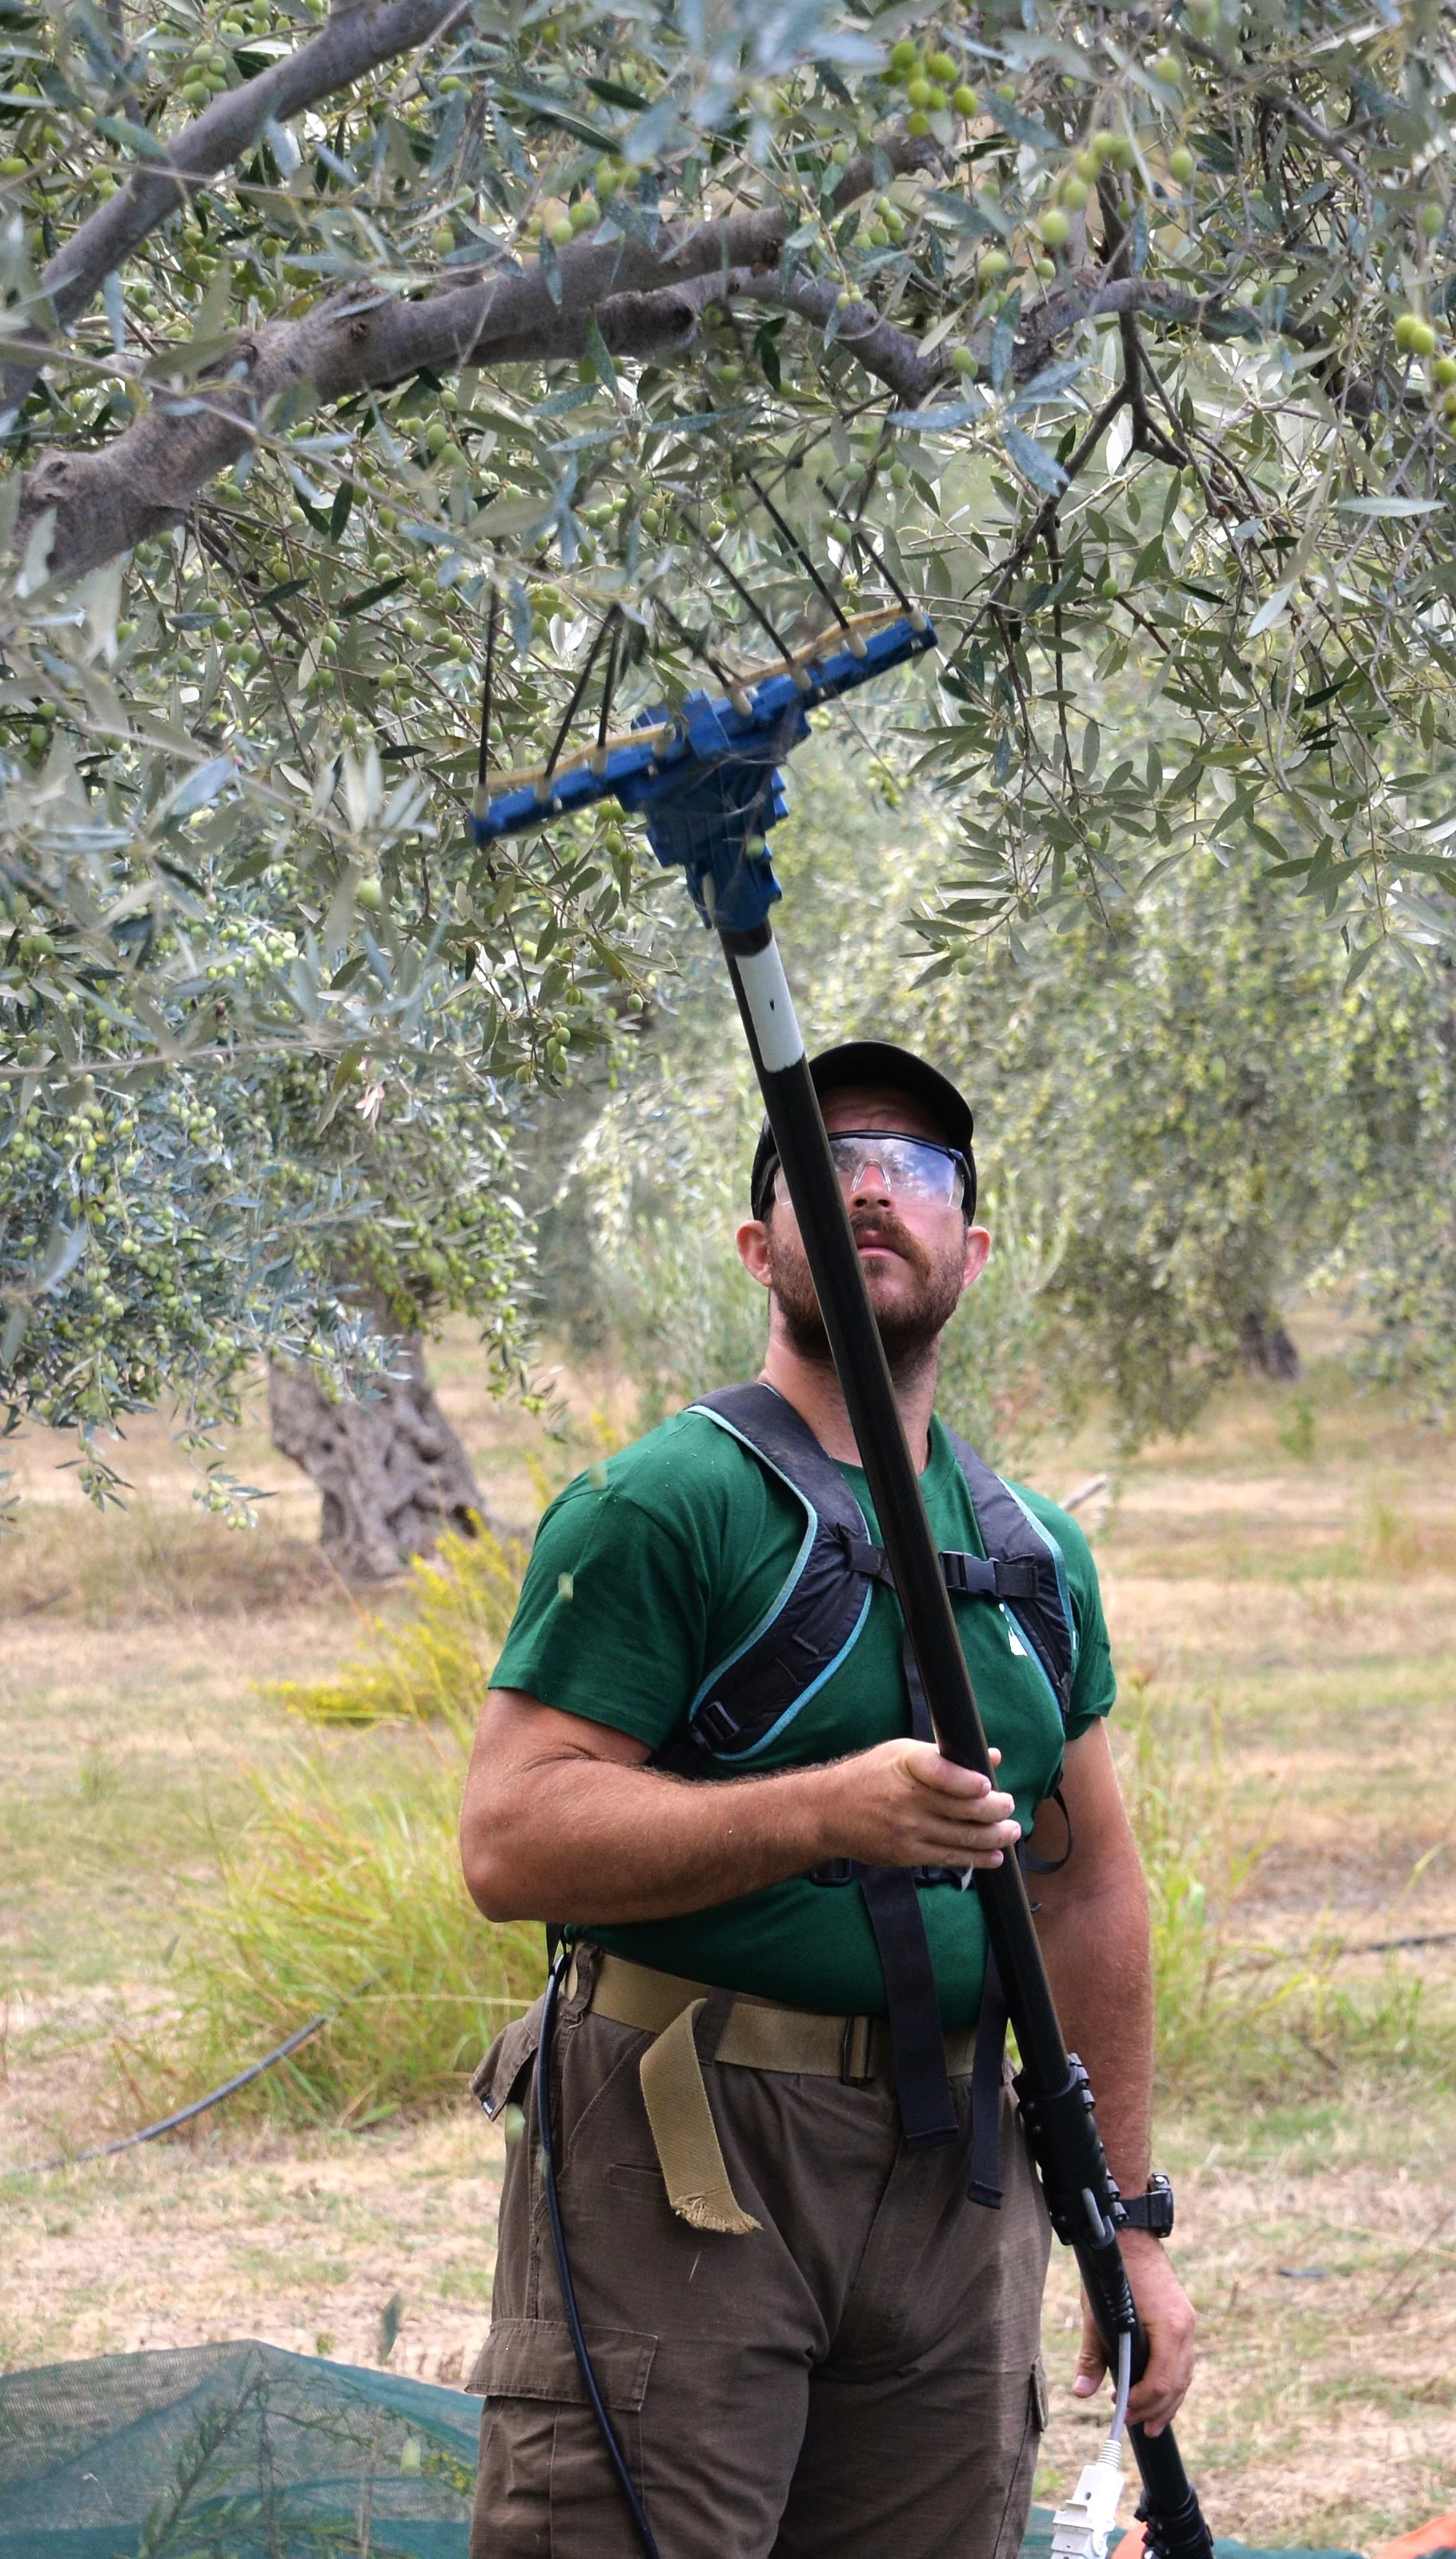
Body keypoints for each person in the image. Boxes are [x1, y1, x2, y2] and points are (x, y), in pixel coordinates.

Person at [457, 1040, 1195, 2559]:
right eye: (826, 1163)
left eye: (919, 1171)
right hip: (688, 2146)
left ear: (972, 1251)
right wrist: (821, 1814)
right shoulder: (668, 1503)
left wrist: (1123, 2221)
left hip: (960, 2183)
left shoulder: (1034, 1556)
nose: (872, 1187)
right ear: (757, 1244)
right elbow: (510, 1833)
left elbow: (1089, 1888)